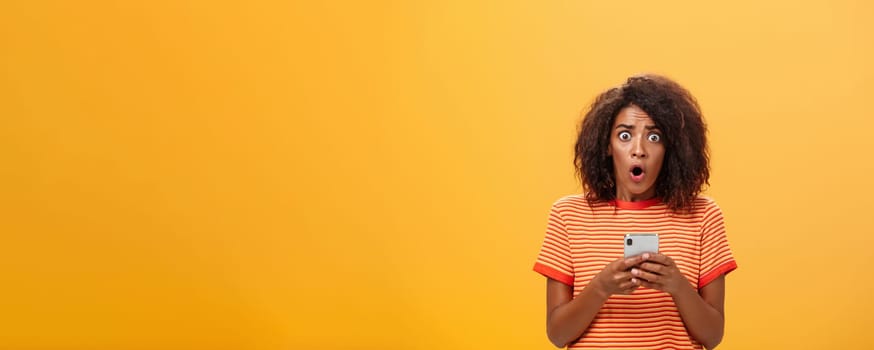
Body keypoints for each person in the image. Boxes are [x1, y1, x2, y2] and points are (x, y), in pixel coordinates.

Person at [533, 74, 737, 349]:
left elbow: (713, 337)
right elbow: (558, 335)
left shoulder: (703, 215)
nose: (638, 150)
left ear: (670, 148)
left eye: (654, 136)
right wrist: (601, 287)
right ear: (607, 145)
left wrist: (677, 285)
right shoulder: (568, 215)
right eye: (625, 135)